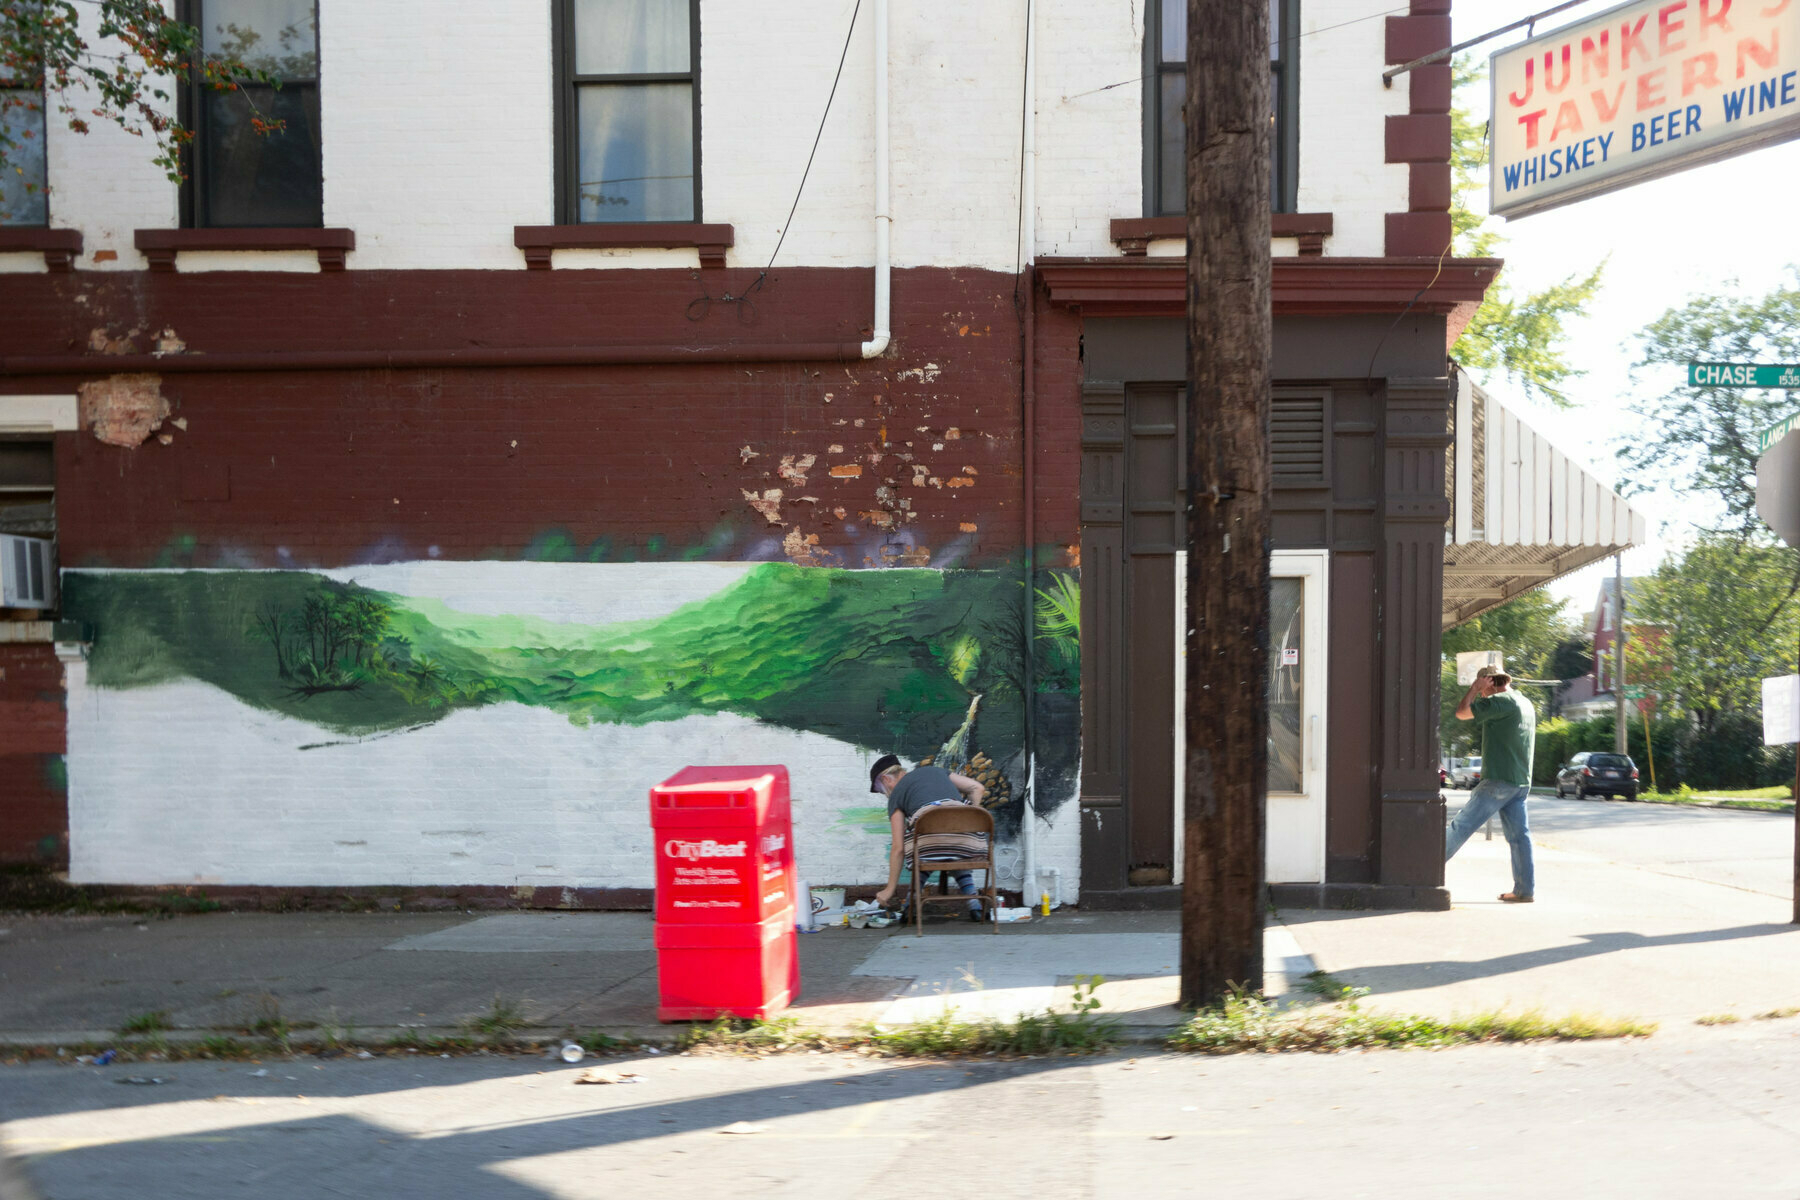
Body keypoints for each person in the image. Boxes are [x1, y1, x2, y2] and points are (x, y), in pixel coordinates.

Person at [1445, 665, 1537, 902]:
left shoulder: (1501, 702)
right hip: (1520, 781)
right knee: (1519, 837)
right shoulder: (1524, 702)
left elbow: (1462, 712)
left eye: (1483, 687)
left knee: (1460, 827)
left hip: (1498, 780)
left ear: (1489, 683)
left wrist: (1474, 690)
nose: (1483, 694)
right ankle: (1524, 890)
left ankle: (1422, 872)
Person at [868, 753, 988, 921]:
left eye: (880, 789)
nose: (884, 794)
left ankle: (909, 907)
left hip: (929, 848)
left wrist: (889, 889)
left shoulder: (896, 796)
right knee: (949, 844)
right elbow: (978, 788)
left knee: (923, 847)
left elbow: (898, 848)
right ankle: (974, 905)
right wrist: (969, 822)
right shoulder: (937, 771)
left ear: (886, 779)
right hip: (970, 846)